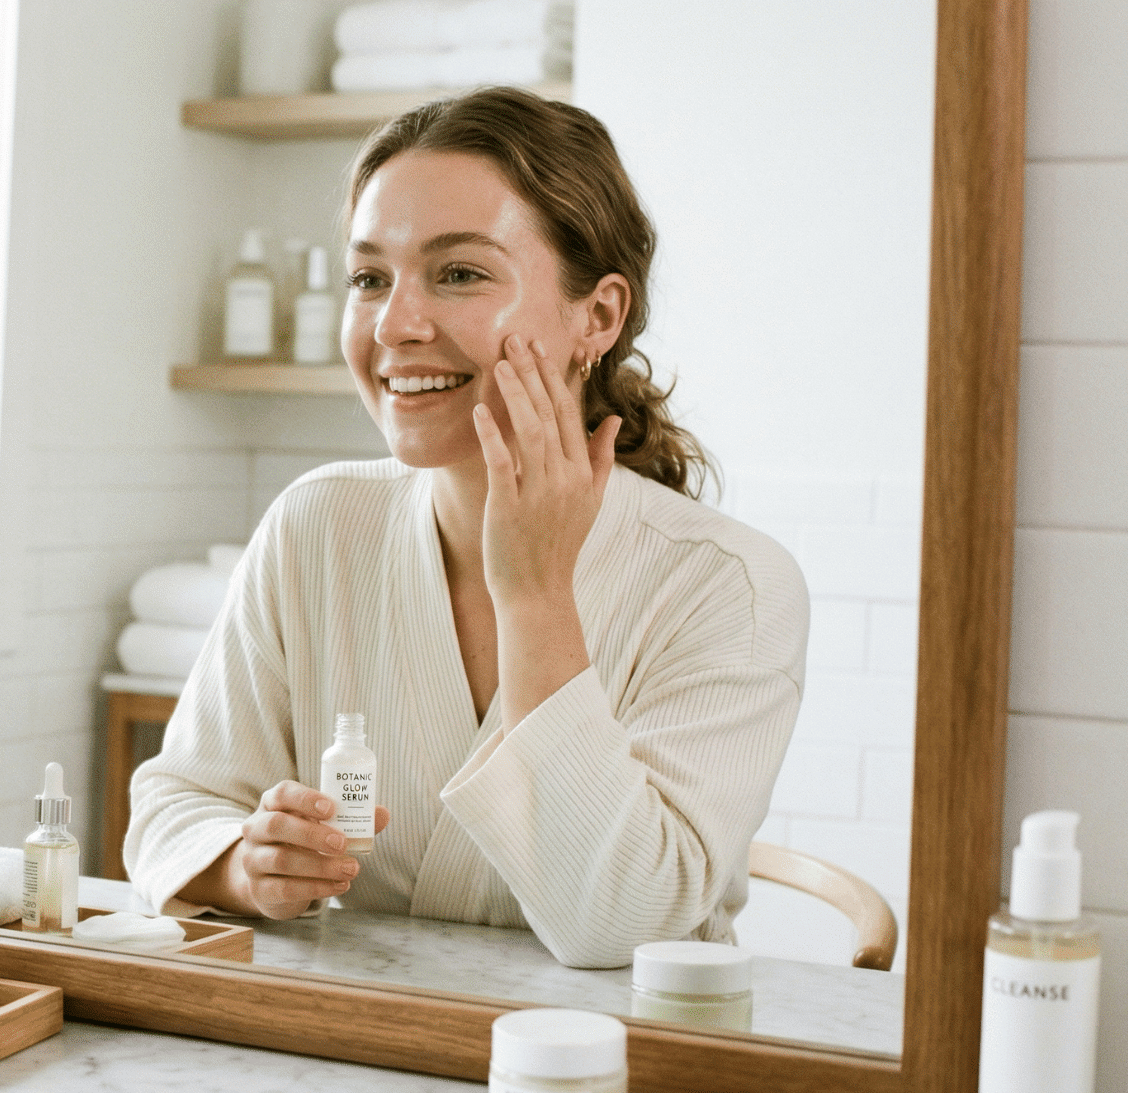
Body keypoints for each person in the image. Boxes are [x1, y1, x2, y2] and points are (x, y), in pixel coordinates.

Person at [123, 88, 809, 970]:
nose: (395, 326)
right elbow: (176, 801)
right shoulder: (317, 525)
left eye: (459, 274)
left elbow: (625, 923)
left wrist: (536, 596)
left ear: (596, 316)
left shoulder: (730, 585)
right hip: (357, 1064)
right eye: (370, 278)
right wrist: (243, 863)